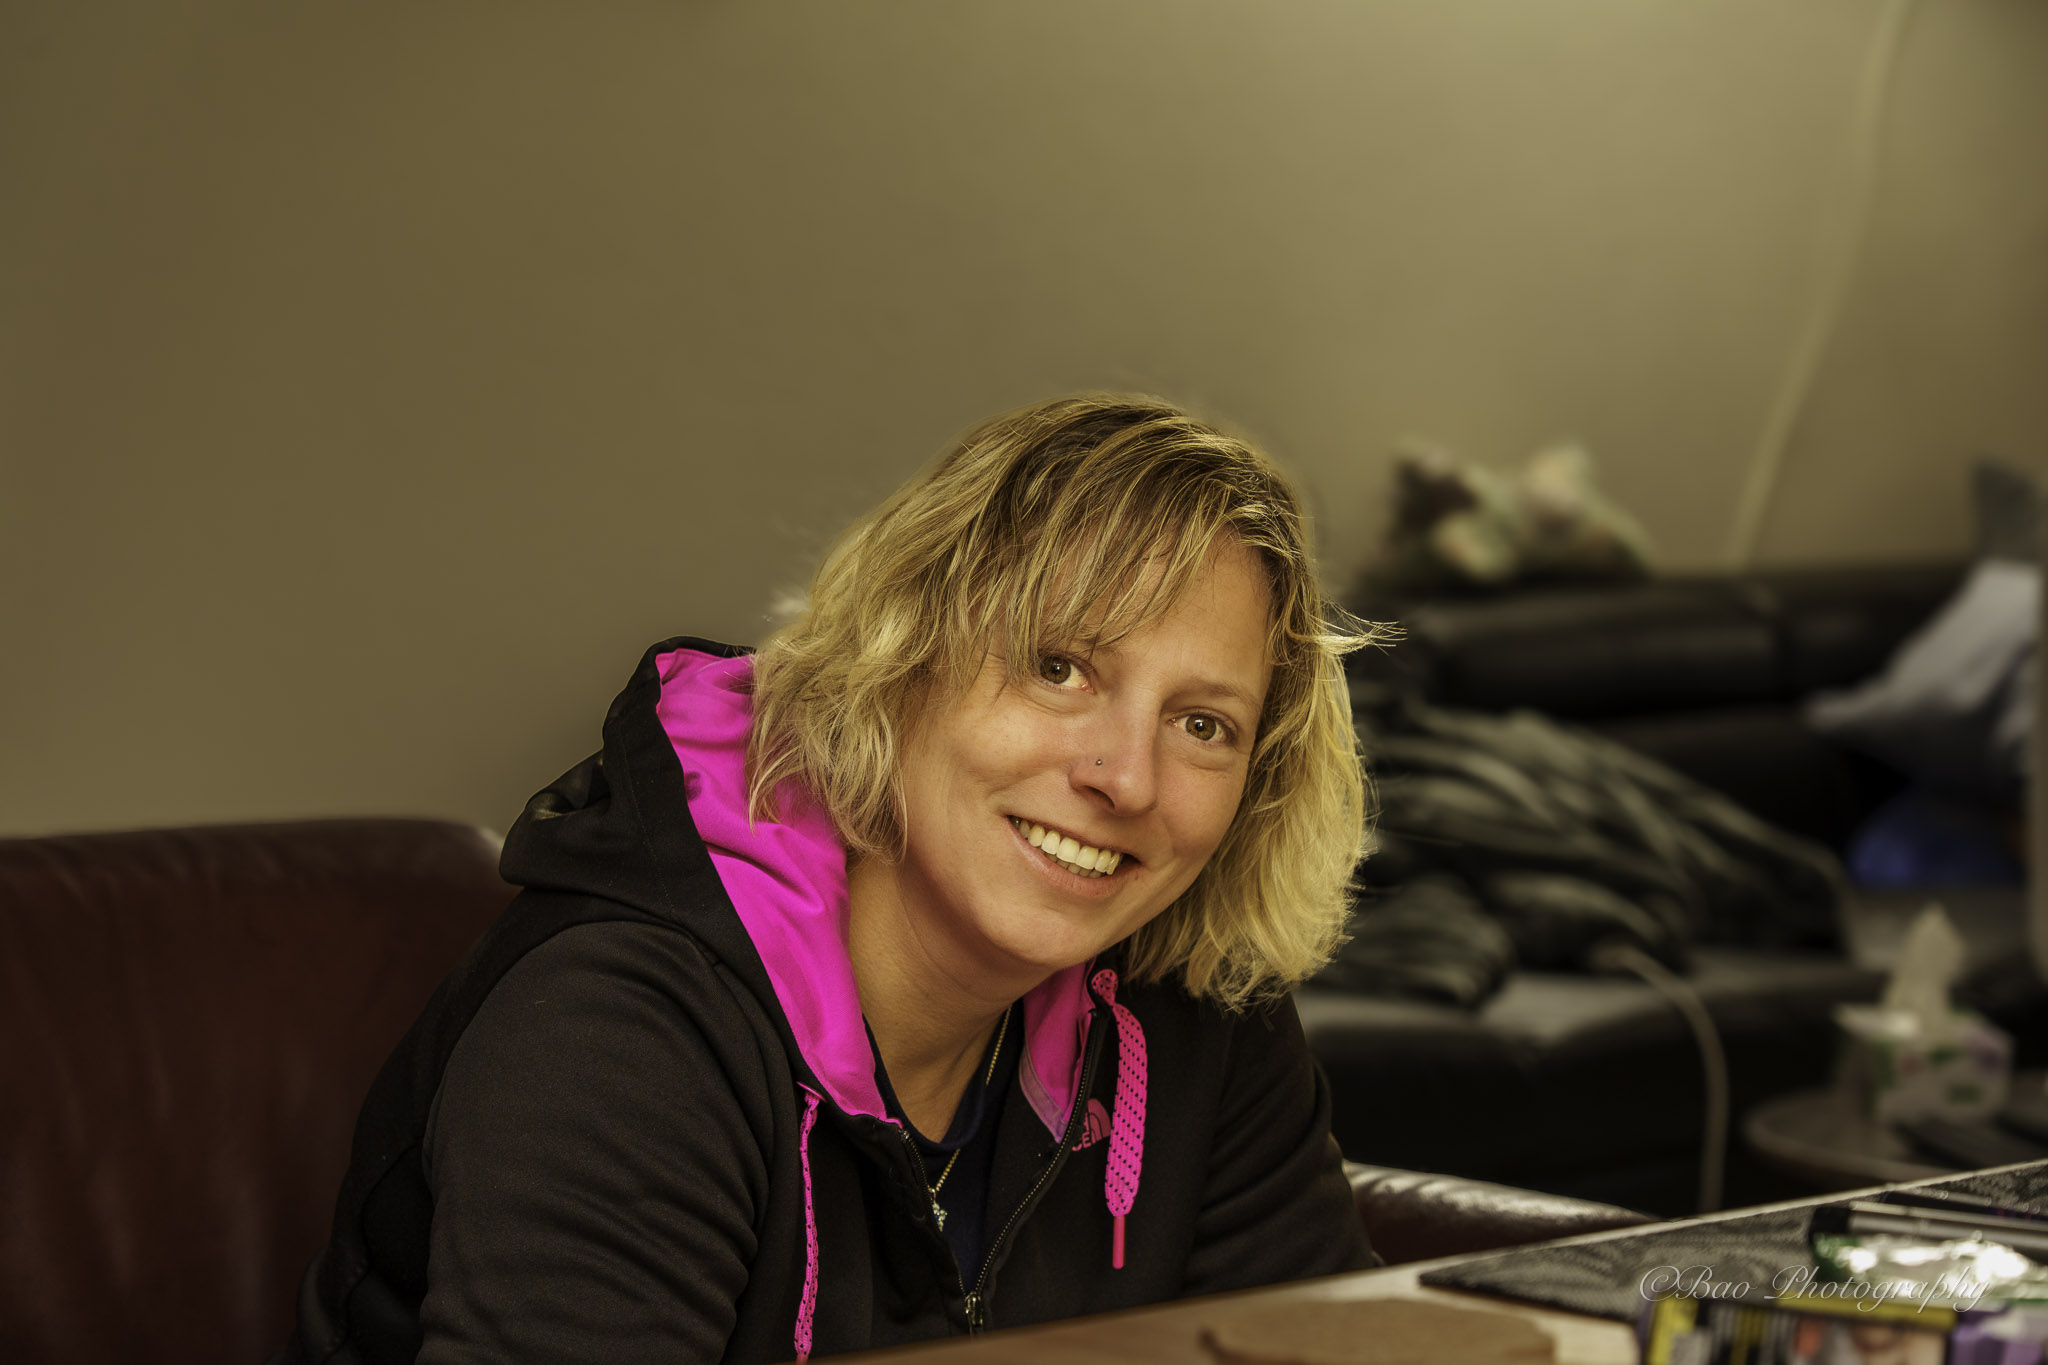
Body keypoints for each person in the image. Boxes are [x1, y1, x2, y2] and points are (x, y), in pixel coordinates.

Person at [278, 394, 1382, 1365]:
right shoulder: (621, 1032)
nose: (1125, 777)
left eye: (1202, 724)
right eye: (1058, 666)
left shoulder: (1194, 1009)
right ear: (897, 659)